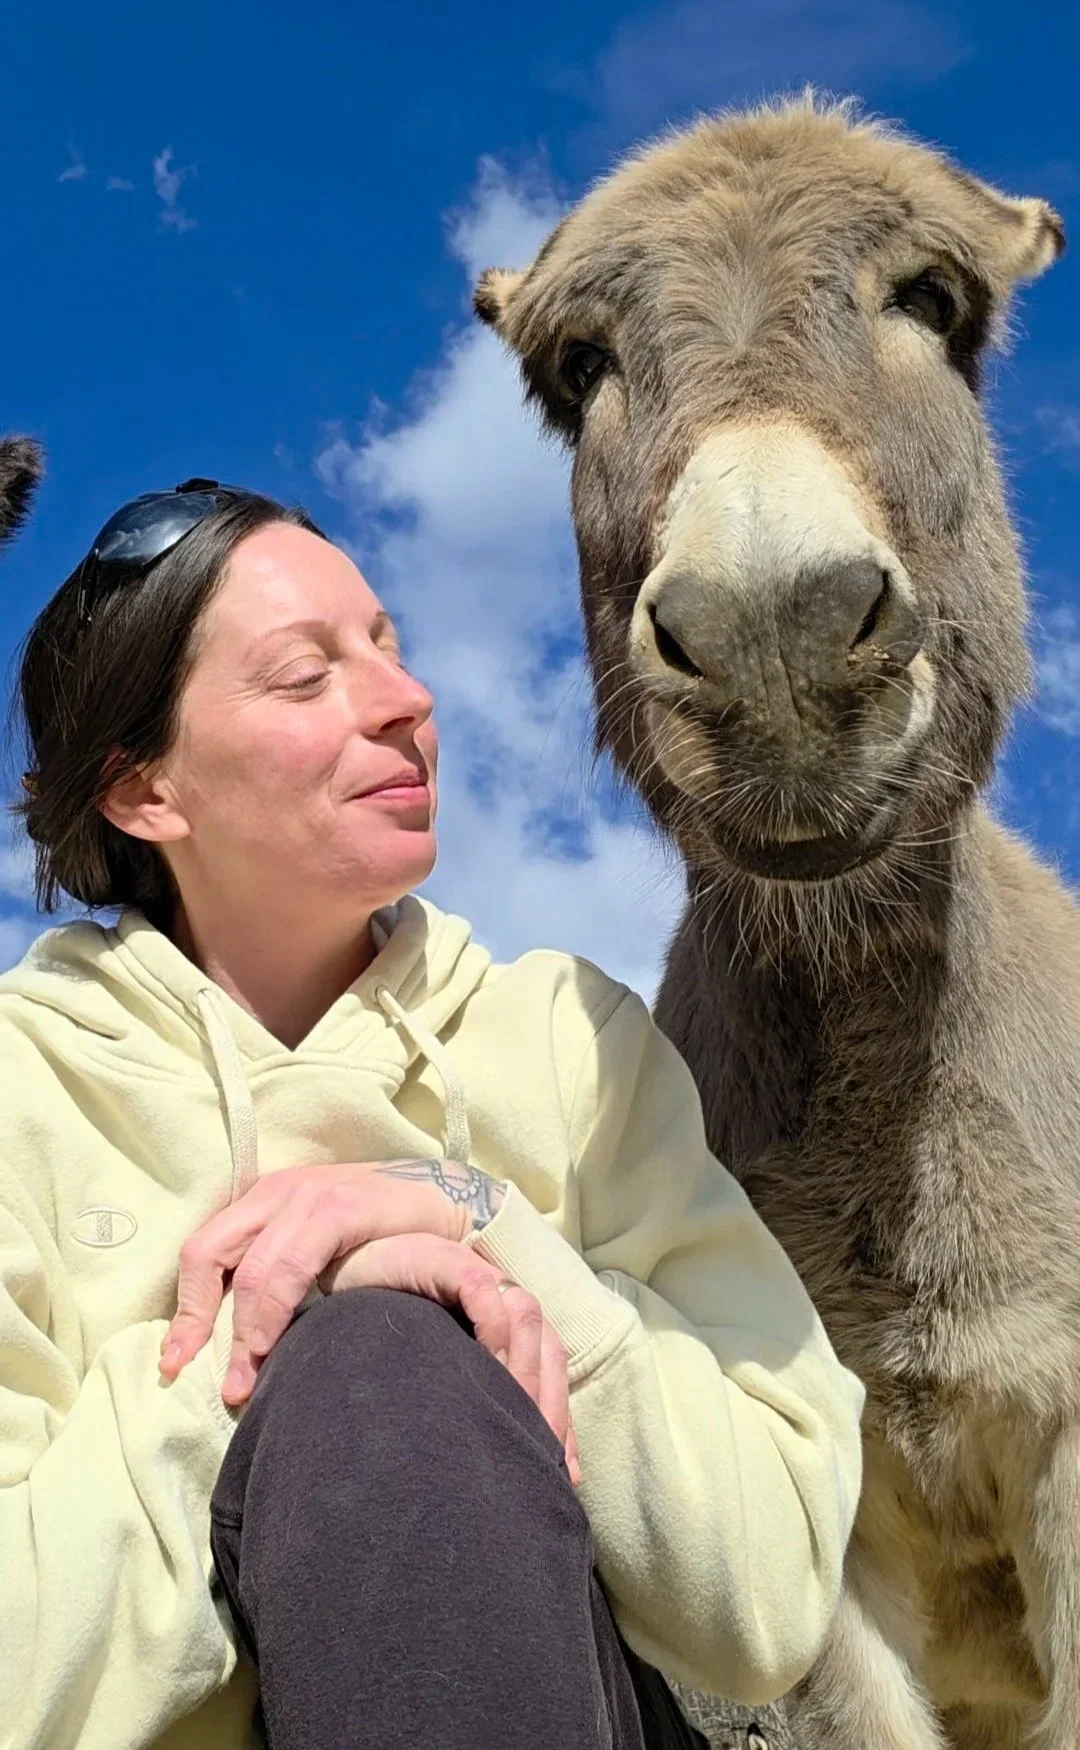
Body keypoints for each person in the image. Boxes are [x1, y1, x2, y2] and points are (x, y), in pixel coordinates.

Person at [0, 478, 865, 1750]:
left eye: (388, 648)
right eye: (304, 678)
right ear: (144, 794)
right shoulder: (21, 1089)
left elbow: (773, 1591)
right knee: (371, 1355)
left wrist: (481, 1227)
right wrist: (283, 1316)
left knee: (390, 1368)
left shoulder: (577, 1042)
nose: (408, 703)